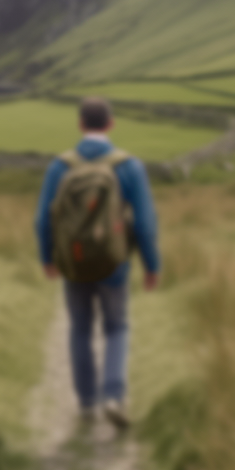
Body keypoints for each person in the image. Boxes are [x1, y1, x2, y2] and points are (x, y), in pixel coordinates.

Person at [35, 96, 160, 429]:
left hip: (73, 262)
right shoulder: (127, 165)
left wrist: (48, 258)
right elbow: (146, 222)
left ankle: (87, 403)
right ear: (110, 124)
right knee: (116, 327)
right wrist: (151, 265)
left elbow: (43, 220)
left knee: (79, 328)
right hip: (114, 263)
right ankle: (113, 396)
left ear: (81, 125)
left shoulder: (60, 166)